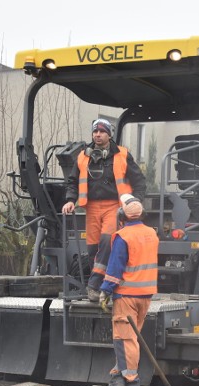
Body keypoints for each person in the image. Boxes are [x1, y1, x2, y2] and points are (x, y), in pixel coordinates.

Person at [62, 118, 147, 302]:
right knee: (93, 251)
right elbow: (72, 182)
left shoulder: (123, 155)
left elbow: (139, 181)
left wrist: (136, 201)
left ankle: (92, 286)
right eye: (95, 131)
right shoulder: (83, 156)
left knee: (107, 242)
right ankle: (104, 287)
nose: (98, 134)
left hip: (114, 207)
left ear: (109, 135)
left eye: (102, 131)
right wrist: (70, 200)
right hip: (91, 208)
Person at [97, 195, 159, 386]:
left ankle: (131, 381)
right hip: (145, 295)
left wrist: (105, 290)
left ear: (122, 215)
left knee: (124, 339)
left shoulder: (123, 236)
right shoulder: (152, 234)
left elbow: (115, 268)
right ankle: (117, 376)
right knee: (129, 339)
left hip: (127, 296)